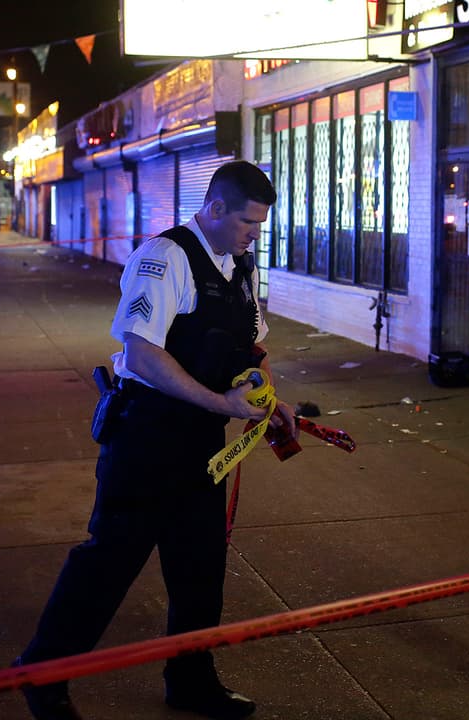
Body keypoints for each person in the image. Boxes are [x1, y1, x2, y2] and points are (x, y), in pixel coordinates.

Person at [15, 160, 295, 720]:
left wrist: (266, 400)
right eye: (246, 222)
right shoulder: (164, 258)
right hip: (146, 438)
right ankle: (43, 678)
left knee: (200, 570)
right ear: (214, 208)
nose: (253, 234)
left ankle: (190, 680)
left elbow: (243, 352)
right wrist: (224, 404)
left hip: (200, 446)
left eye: (260, 226)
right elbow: (142, 354)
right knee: (108, 565)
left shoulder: (241, 264)